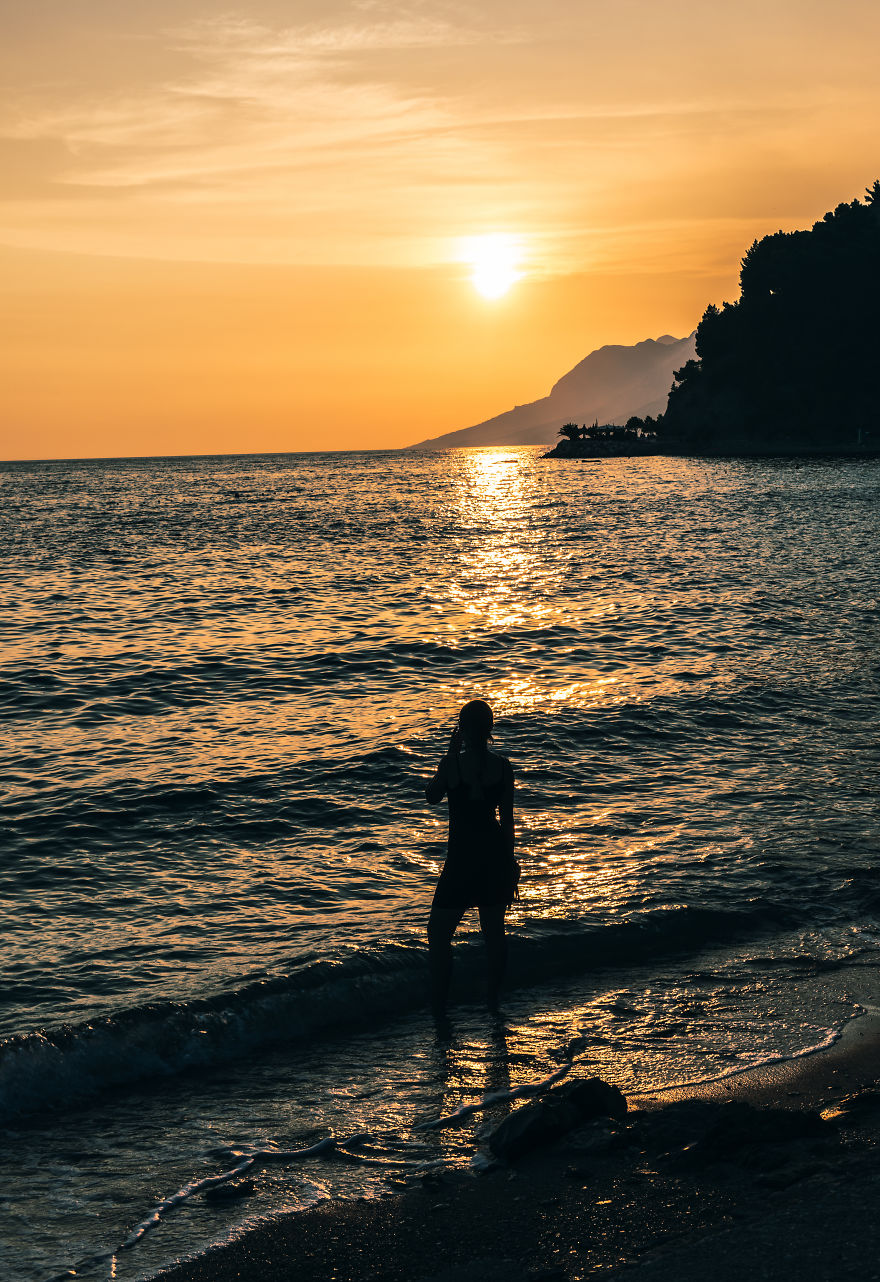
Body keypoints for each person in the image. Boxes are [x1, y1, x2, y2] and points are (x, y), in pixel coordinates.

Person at [425, 699, 520, 1013]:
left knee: (438, 934)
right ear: (490, 729)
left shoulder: (453, 764)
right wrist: (511, 862)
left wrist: (451, 752)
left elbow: (431, 796)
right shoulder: (503, 767)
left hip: (462, 860)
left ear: (462, 729)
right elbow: (506, 821)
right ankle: (493, 999)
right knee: (494, 932)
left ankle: (440, 1003)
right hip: (493, 856)